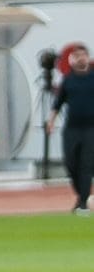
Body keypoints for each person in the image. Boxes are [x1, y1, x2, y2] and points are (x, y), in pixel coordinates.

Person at [48, 43, 94, 215]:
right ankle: (81, 196)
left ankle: (83, 203)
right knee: (71, 163)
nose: (81, 59)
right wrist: (51, 121)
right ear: (73, 59)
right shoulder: (68, 79)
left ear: (87, 58)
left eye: (83, 55)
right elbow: (58, 103)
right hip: (72, 128)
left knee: (86, 164)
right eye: (77, 56)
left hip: (91, 128)